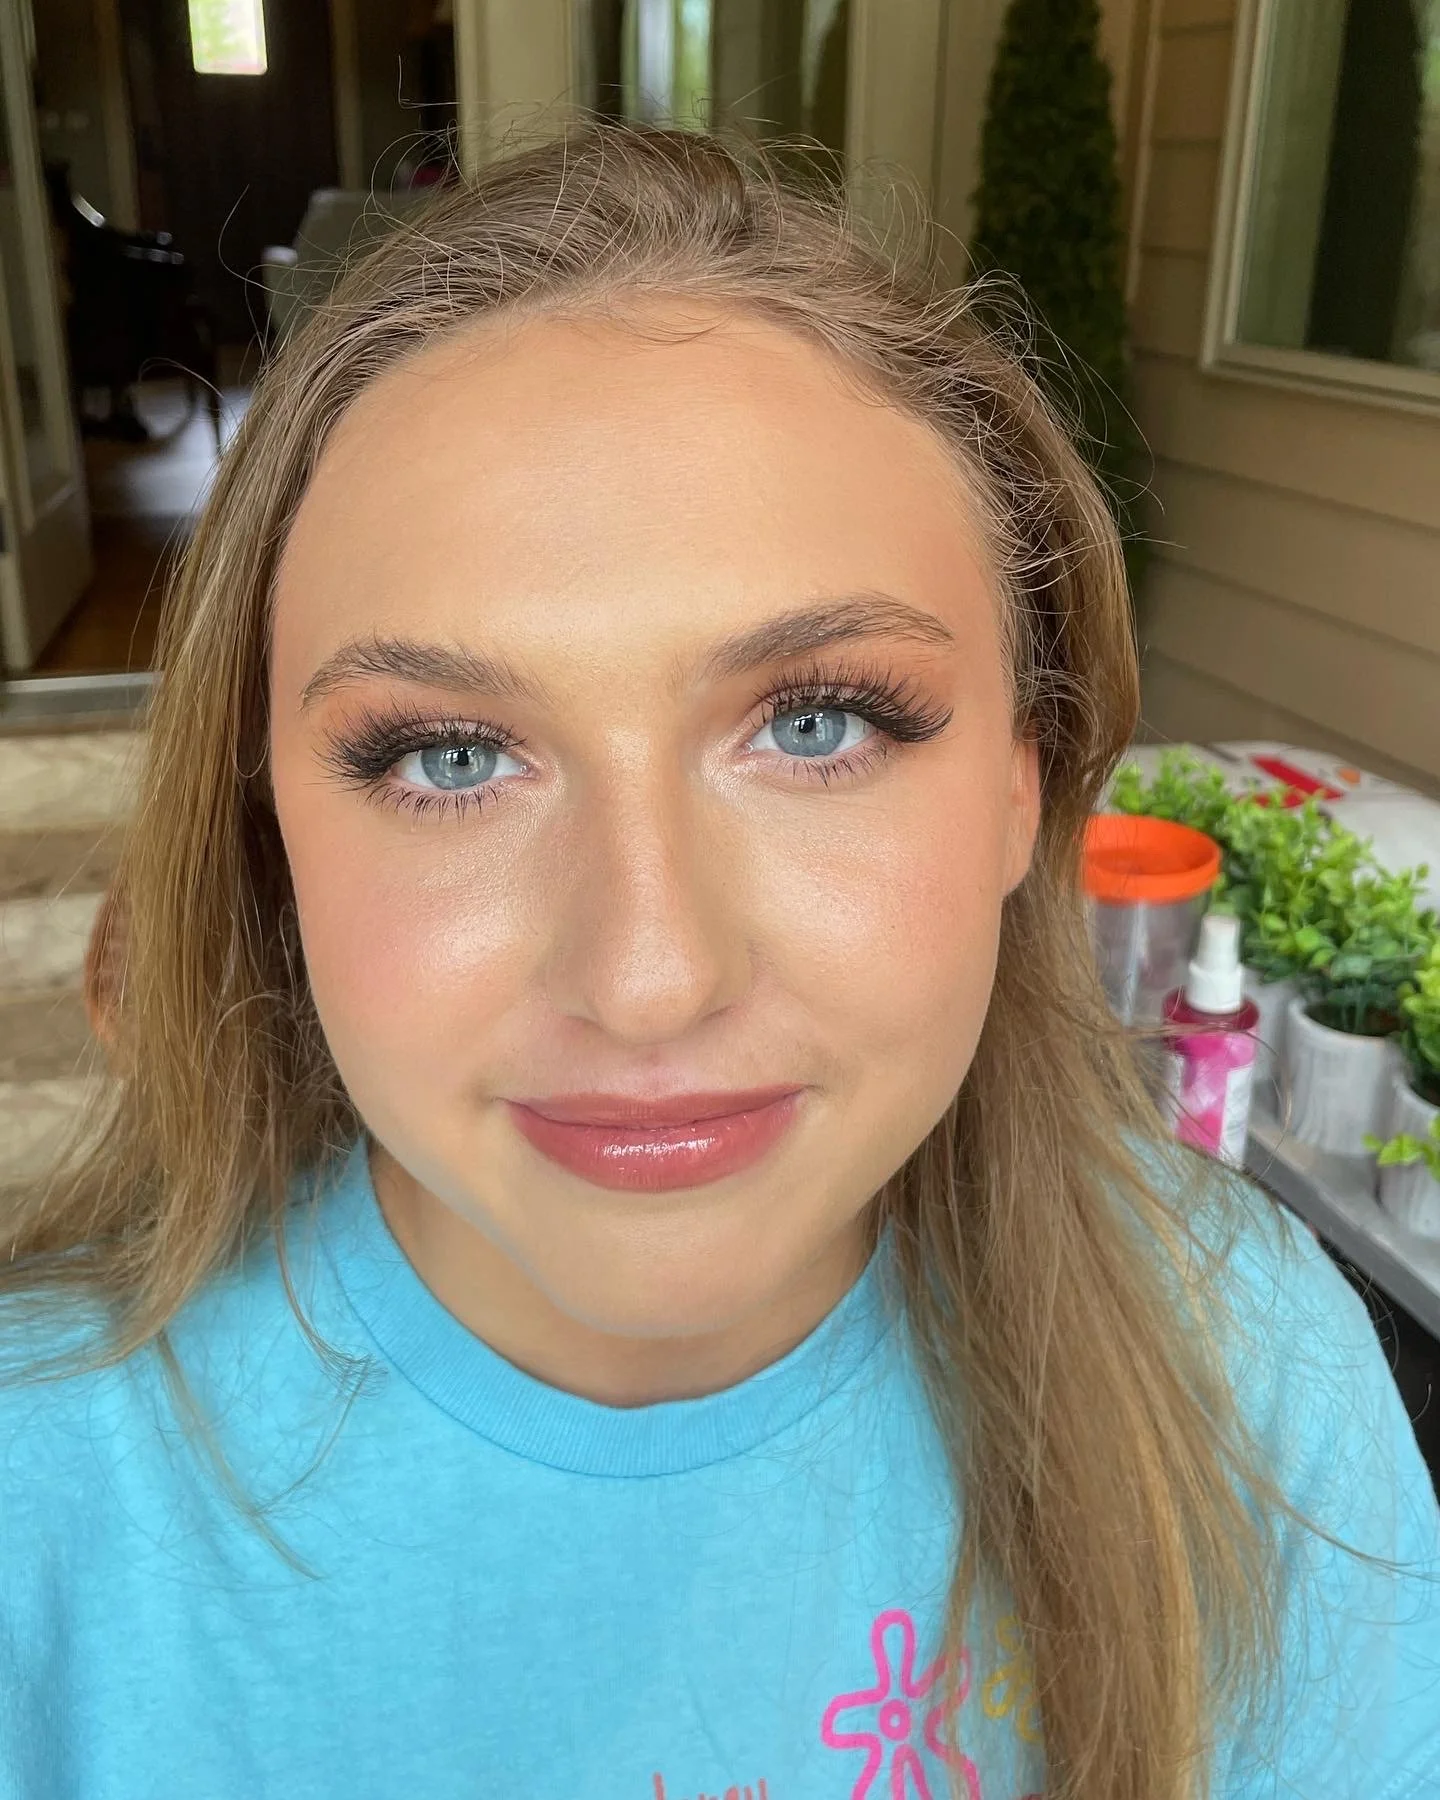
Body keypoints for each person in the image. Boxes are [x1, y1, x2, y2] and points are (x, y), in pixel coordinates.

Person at [3, 123, 1437, 1800]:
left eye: (818, 723)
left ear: (1022, 796)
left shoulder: (1253, 1376)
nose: (650, 977)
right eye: (450, 756)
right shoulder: (45, 1497)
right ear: (271, 848)